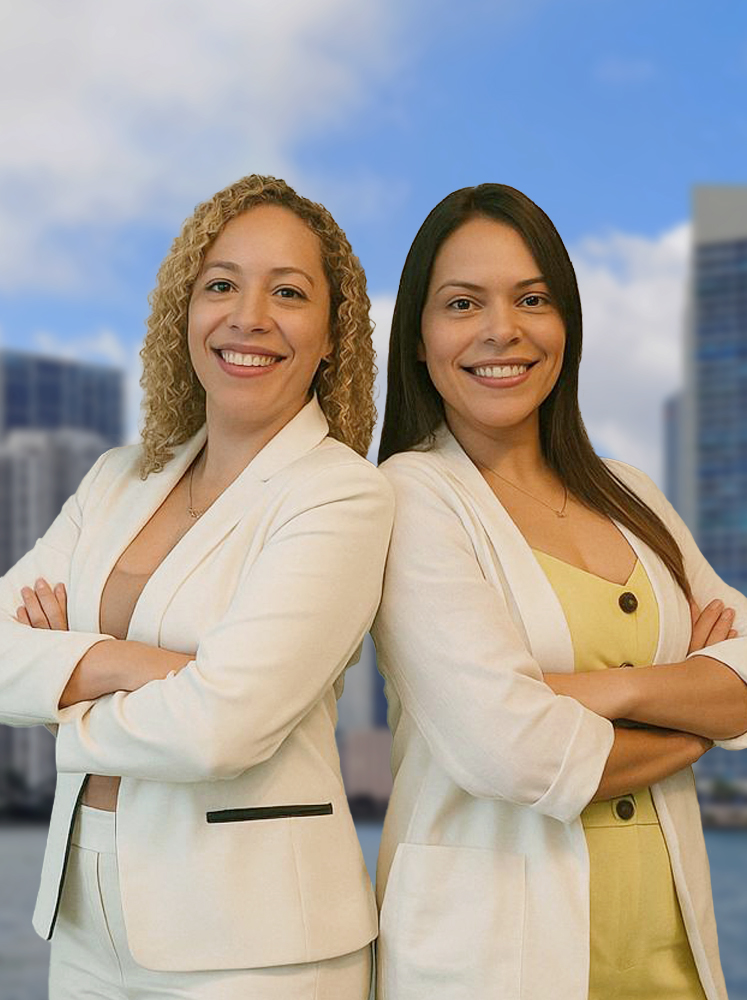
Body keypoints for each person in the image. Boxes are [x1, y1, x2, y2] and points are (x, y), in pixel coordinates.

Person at [0, 174, 394, 999]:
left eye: (287, 292)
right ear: (185, 312)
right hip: (82, 922)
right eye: (221, 285)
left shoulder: (340, 494)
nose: (247, 316)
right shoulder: (117, 479)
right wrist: (123, 662)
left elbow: (225, 727)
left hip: (255, 945)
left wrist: (60, 691)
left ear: (333, 336)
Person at [372, 182, 747, 1000]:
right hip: (489, 965)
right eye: (462, 303)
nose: (501, 330)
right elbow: (509, 751)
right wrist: (694, 719)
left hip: (668, 963)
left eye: (531, 299)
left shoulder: (632, 492)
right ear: (419, 339)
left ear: (565, 324)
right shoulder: (408, 496)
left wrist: (594, 692)